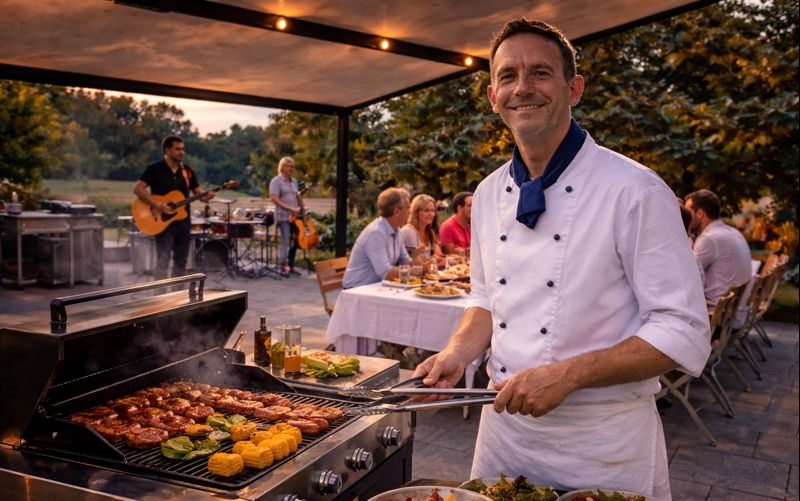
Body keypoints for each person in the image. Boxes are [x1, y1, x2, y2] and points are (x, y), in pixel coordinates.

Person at [413, 19, 709, 499]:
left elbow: (684, 329)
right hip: (505, 435)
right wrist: (456, 352)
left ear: (574, 89)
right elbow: (486, 297)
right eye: (508, 76)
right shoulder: (488, 193)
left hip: (602, 444)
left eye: (540, 73)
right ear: (493, 96)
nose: (522, 88)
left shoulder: (635, 190)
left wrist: (567, 374)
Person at [133, 136, 215, 280]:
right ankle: (159, 297)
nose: (181, 152)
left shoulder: (187, 172)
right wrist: (158, 205)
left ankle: (177, 296)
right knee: (163, 261)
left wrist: (207, 196)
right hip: (163, 222)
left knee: (181, 262)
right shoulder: (154, 169)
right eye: (177, 149)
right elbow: (138, 189)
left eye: (183, 149)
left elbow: (198, 193)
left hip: (183, 222)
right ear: (167, 150)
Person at [685, 189, 752, 307]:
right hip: (733, 310)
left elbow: (687, 275)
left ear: (700, 213)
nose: (685, 217)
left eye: (688, 212)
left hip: (716, 311)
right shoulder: (732, 232)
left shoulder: (710, 239)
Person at [342, 187, 414, 289]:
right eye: (408, 207)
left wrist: (425, 266)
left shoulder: (397, 231)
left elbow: (406, 261)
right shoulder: (376, 233)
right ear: (397, 211)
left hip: (376, 287)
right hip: (357, 290)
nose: (410, 211)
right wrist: (415, 271)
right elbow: (386, 273)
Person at [269, 157, 304, 275]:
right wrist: (289, 208)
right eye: (287, 166)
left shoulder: (294, 181)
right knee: (285, 241)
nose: (290, 168)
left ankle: (291, 266)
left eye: (292, 166)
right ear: (282, 167)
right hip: (283, 216)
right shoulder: (276, 181)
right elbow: (274, 198)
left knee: (295, 241)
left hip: (295, 216)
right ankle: (281, 267)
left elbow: (296, 196)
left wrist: (302, 208)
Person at [400, 194, 445, 268]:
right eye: (426, 210)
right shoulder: (409, 232)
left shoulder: (429, 232)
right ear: (416, 213)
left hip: (426, 275)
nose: (430, 214)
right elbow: (416, 265)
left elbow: (438, 256)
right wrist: (435, 262)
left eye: (432, 210)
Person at [439, 191, 473, 256]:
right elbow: (450, 253)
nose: (474, 208)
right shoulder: (448, 226)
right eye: (469, 206)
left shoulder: (470, 226)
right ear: (459, 208)